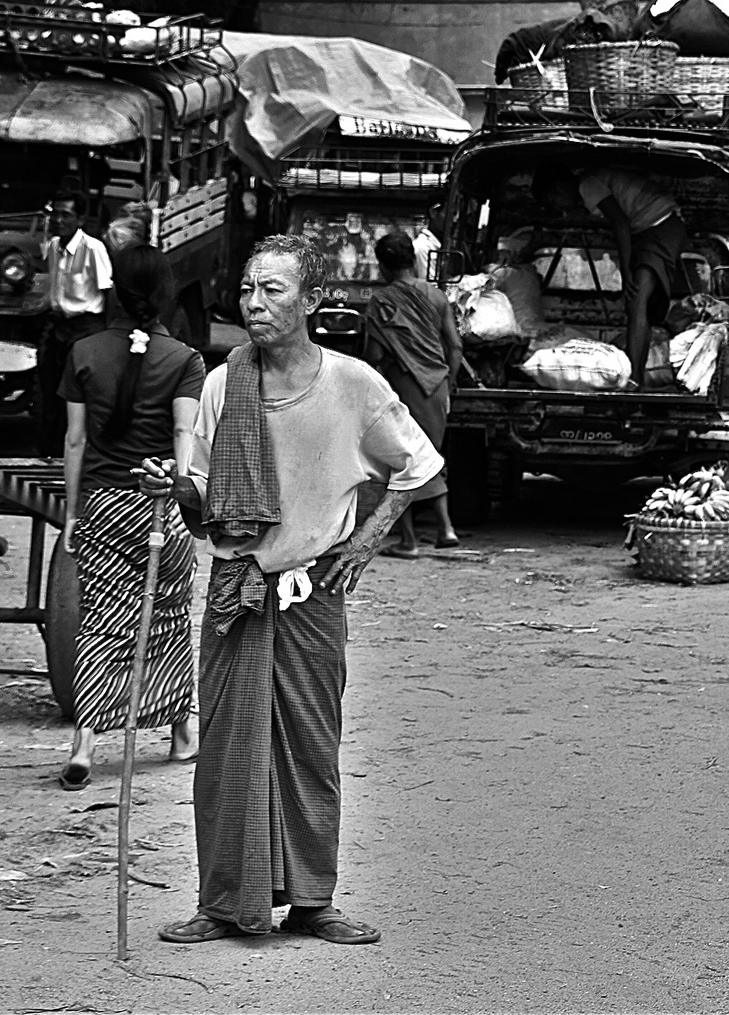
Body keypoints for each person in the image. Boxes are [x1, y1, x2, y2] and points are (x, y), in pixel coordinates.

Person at [139, 234, 443, 945]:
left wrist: (364, 544)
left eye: (273, 290)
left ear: (311, 301)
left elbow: (418, 467)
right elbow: (203, 502)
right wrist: (177, 486)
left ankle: (312, 902)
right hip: (235, 589)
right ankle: (222, 902)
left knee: (311, 746)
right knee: (224, 752)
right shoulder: (222, 383)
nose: (255, 303)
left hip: (312, 591)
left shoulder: (353, 384)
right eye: (247, 289)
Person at [56, 241, 205, 790]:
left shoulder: (84, 351)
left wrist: (73, 513)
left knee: (100, 626)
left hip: (101, 503)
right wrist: (180, 493)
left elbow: (75, 441)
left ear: (115, 290)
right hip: (160, 509)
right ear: (167, 296)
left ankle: (84, 744)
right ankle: (182, 735)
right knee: (167, 618)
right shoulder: (186, 361)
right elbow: (183, 435)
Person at [536, 167, 685, 387]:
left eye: (553, 200)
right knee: (637, 306)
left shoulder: (587, 185)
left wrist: (626, 274)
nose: (559, 208)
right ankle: (637, 380)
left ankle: (634, 382)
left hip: (659, 226)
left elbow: (621, 226)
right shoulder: (590, 184)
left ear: (559, 188)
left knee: (636, 302)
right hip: (655, 229)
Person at [364, 231, 462, 556]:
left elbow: (376, 357)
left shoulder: (382, 301)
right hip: (437, 386)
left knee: (401, 460)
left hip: (402, 386)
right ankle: (445, 529)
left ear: (383, 266)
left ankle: (408, 541)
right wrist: (451, 380)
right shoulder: (436, 296)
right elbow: (456, 345)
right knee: (432, 457)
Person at [38, 192, 114, 455]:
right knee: (50, 387)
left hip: (86, 327)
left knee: (80, 392)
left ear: (80, 219)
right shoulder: (53, 247)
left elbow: (108, 291)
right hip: (60, 325)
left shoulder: (93, 248)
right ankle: (50, 449)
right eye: (55, 214)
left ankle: (82, 449)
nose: (58, 220)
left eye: (65, 215)